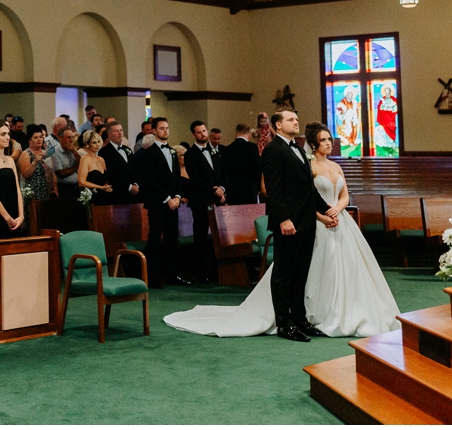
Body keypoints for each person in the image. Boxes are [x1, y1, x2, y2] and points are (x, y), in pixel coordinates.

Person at [165, 122, 399, 339]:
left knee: (341, 269)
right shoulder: (292, 157)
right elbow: (286, 192)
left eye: (330, 139)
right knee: (300, 271)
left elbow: (342, 194)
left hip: (335, 219)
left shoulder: (330, 164)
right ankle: (295, 318)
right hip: (313, 221)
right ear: (314, 143)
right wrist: (321, 216)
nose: (329, 143)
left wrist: (335, 210)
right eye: (324, 139)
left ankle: (325, 313)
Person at [265, 111, 333, 341]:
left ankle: (300, 320)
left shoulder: (298, 149)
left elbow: (308, 188)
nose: (296, 121)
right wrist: (284, 219)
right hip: (289, 222)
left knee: (301, 273)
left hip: (306, 221)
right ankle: (285, 324)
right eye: (291, 119)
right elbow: (274, 189)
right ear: (278, 125)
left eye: (296, 118)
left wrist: (326, 209)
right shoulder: (274, 149)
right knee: (284, 274)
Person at [142, 117, 189, 288]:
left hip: (173, 202)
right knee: (155, 239)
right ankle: (153, 277)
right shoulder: (149, 153)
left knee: (171, 240)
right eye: (162, 128)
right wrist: (167, 199)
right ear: (154, 131)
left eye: (167, 128)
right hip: (157, 203)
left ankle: (172, 274)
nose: (165, 131)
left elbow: (176, 177)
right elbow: (151, 180)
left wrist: (177, 195)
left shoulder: (172, 151)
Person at [185, 121, 228, 283]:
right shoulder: (191, 154)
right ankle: (201, 274)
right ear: (193, 135)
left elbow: (224, 172)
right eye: (199, 132)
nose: (203, 134)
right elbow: (196, 179)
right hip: (201, 202)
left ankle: (218, 273)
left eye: (204, 131)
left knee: (219, 238)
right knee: (201, 238)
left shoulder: (214, 151)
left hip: (218, 201)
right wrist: (213, 190)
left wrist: (223, 188)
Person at [99, 122, 139, 204]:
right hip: (117, 195)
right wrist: (129, 187)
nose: (120, 133)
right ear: (109, 134)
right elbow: (111, 174)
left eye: (121, 130)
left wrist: (136, 184)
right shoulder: (104, 152)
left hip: (133, 195)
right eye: (116, 131)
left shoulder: (128, 150)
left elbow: (135, 169)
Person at [222, 123, 262, 204]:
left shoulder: (227, 149)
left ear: (236, 134)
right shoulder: (252, 148)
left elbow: (224, 171)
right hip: (249, 189)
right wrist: (258, 188)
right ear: (249, 135)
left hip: (232, 190)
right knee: (250, 215)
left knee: (234, 215)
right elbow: (258, 169)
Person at [76, 128, 114, 205]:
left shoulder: (101, 159)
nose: (97, 145)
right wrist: (101, 187)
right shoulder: (85, 159)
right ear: (87, 144)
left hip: (105, 197)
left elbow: (105, 179)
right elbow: (81, 182)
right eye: (94, 142)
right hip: (92, 198)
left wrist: (106, 186)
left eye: (98, 141)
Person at [17, 124, 55, 200]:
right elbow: (25, 174)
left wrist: (55, 187)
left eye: (41, 137)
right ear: (29, 140)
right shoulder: (26, 154)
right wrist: (34, 162)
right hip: (32, 193)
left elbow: (52, 172)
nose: (39, 140)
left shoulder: (46, 153)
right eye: (35, 138)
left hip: (46, 192)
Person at [48, 126, 81, 200]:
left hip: (75, 188)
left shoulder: (73, 150)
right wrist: (76, 167)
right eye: (68, 137)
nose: (71, 140)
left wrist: (74, 151)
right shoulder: (54, 152)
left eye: (72, 137)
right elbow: (61, 173)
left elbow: (81, 164)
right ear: (60, 138)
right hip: (63, 189)